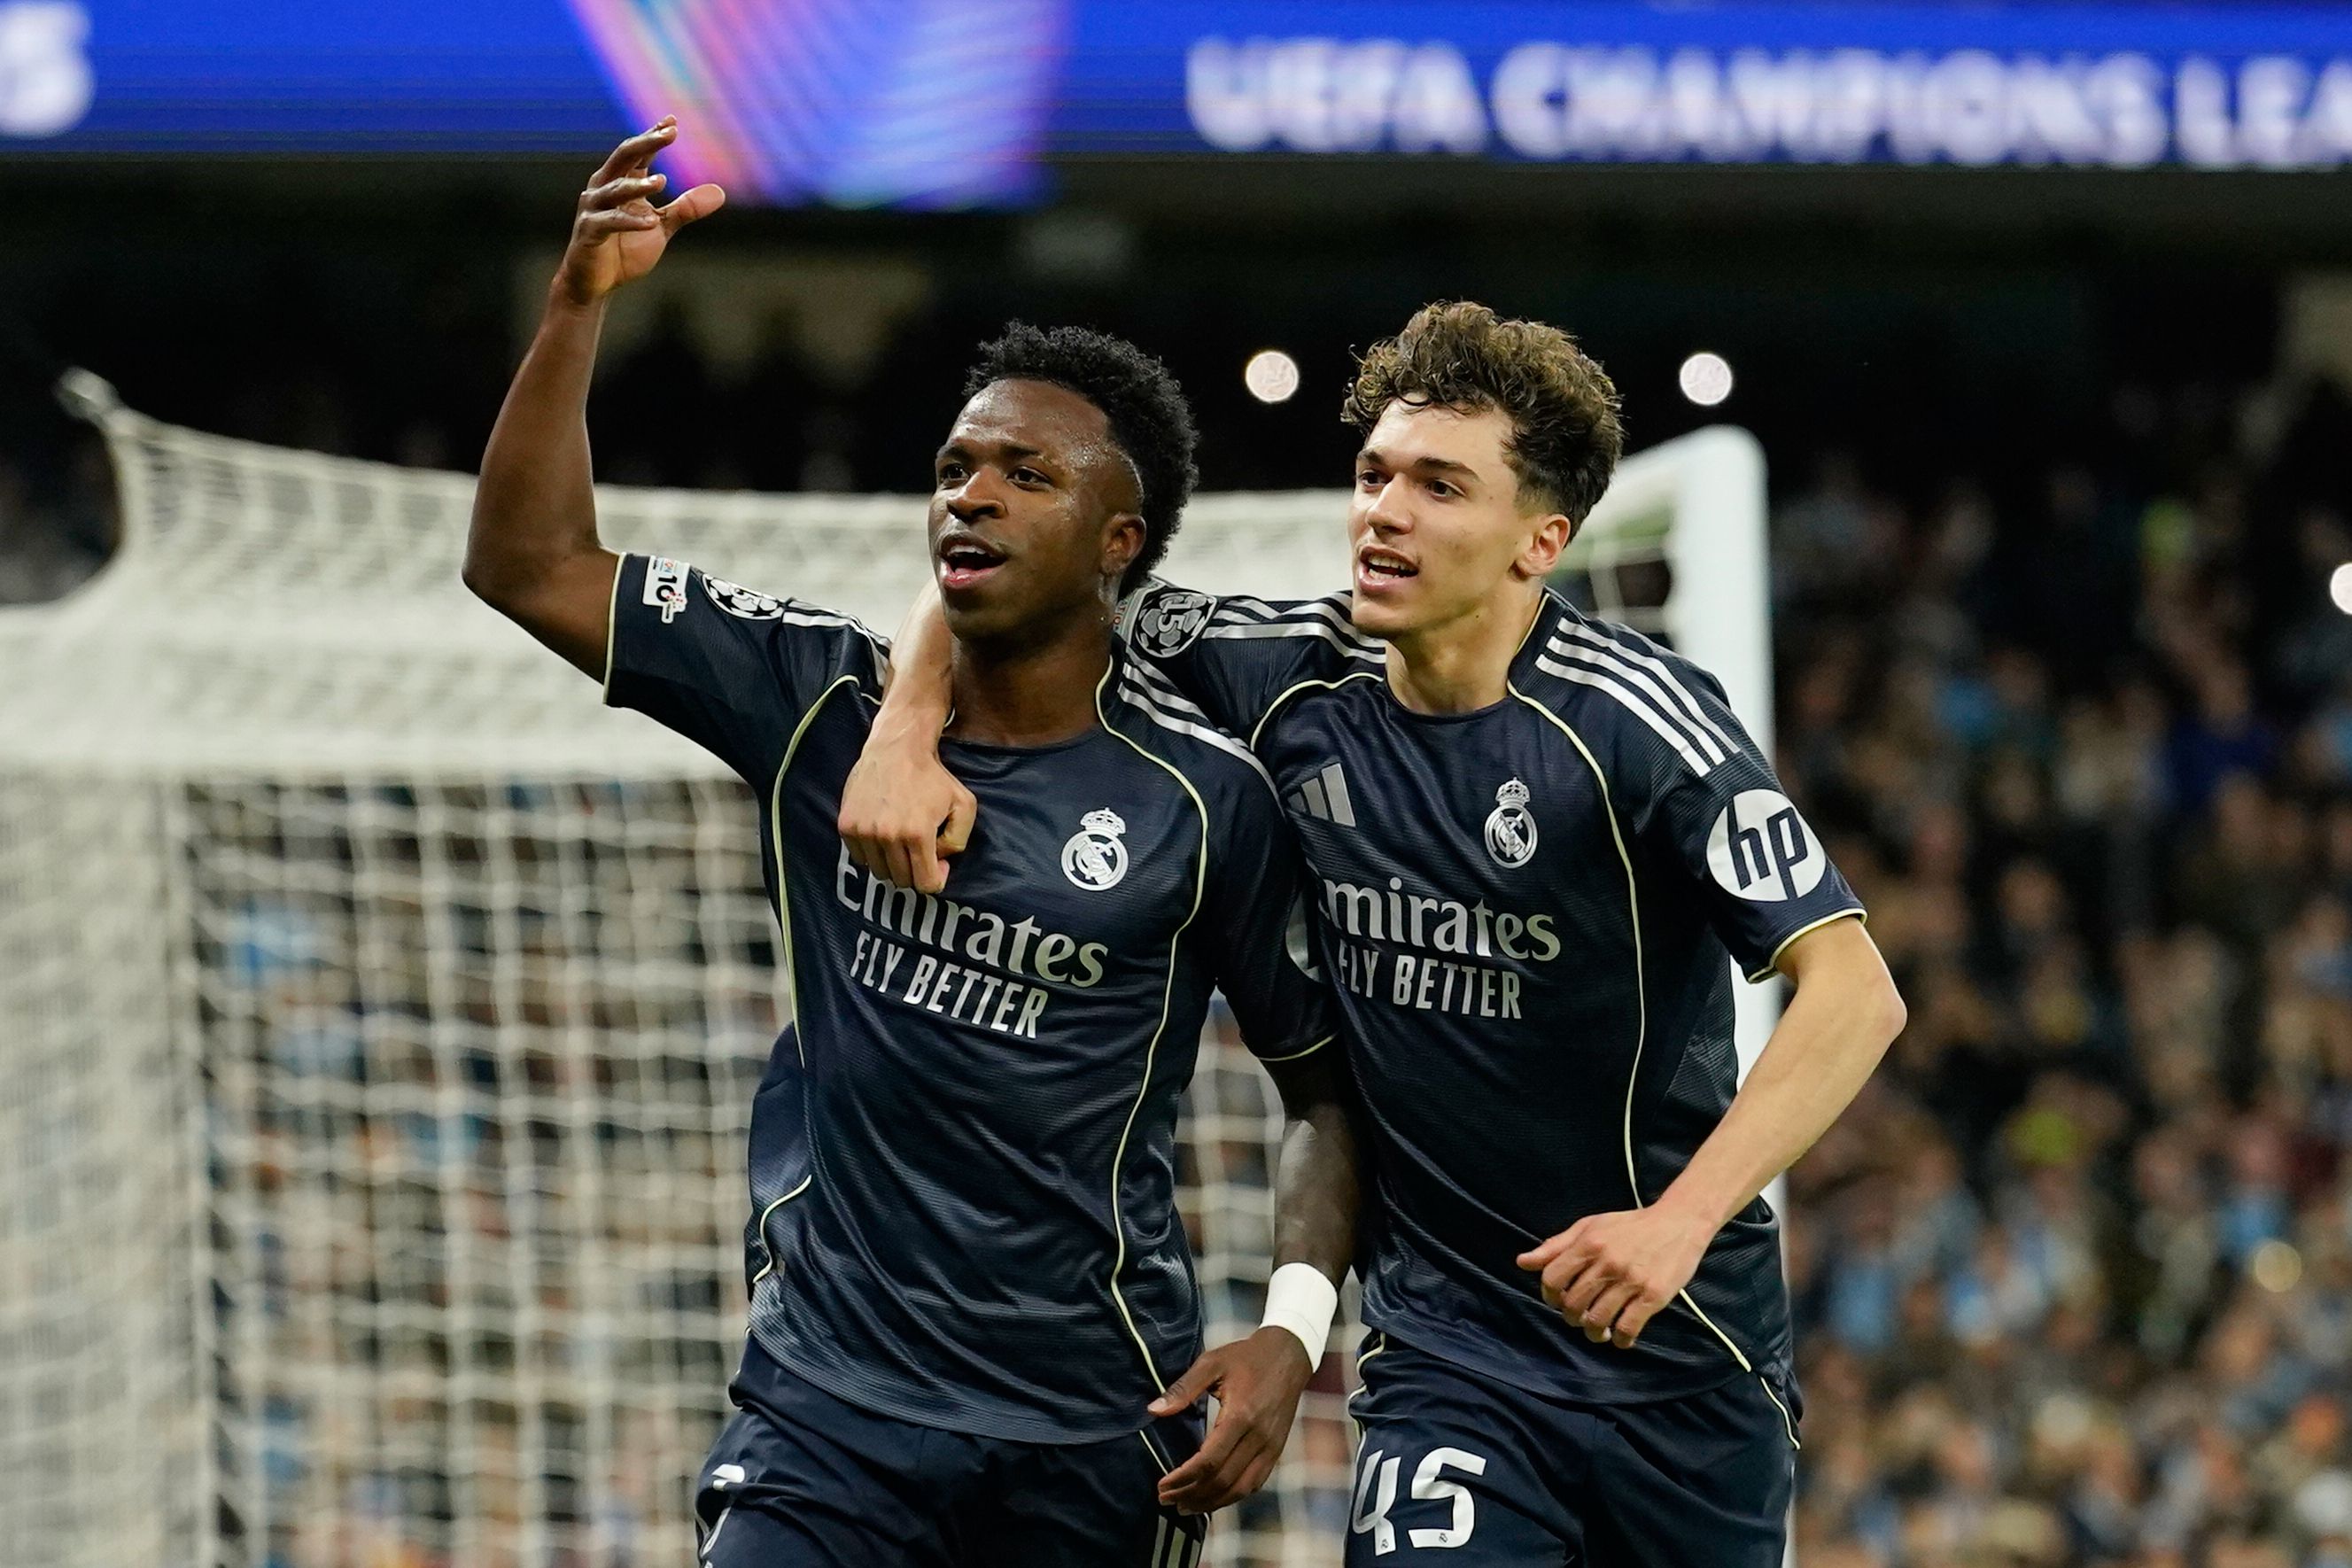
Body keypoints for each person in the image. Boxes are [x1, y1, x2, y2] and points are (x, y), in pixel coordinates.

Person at [842, 301, 1908, 1564]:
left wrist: (1677, 1221)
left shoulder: (1638, 722)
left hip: (1681, 1351)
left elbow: (1855, 990)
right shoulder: (1284, 668)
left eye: (1439, 486)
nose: (1383, 513)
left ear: (1541, 541)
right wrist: (903, 725)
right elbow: (1021, 575)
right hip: (1450, 1352)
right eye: (1373, 475)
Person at [464, 119, 1359, 1567]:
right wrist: (575, 307)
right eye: (954, 466)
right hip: (829, 1408)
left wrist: (1294, 1330)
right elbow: (526, 562)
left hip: (1093, 1422)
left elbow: (1324, 1088)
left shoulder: (1207, 799)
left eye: (1026, 474)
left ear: (1120, 540)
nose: (972, 493)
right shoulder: (817, 699)